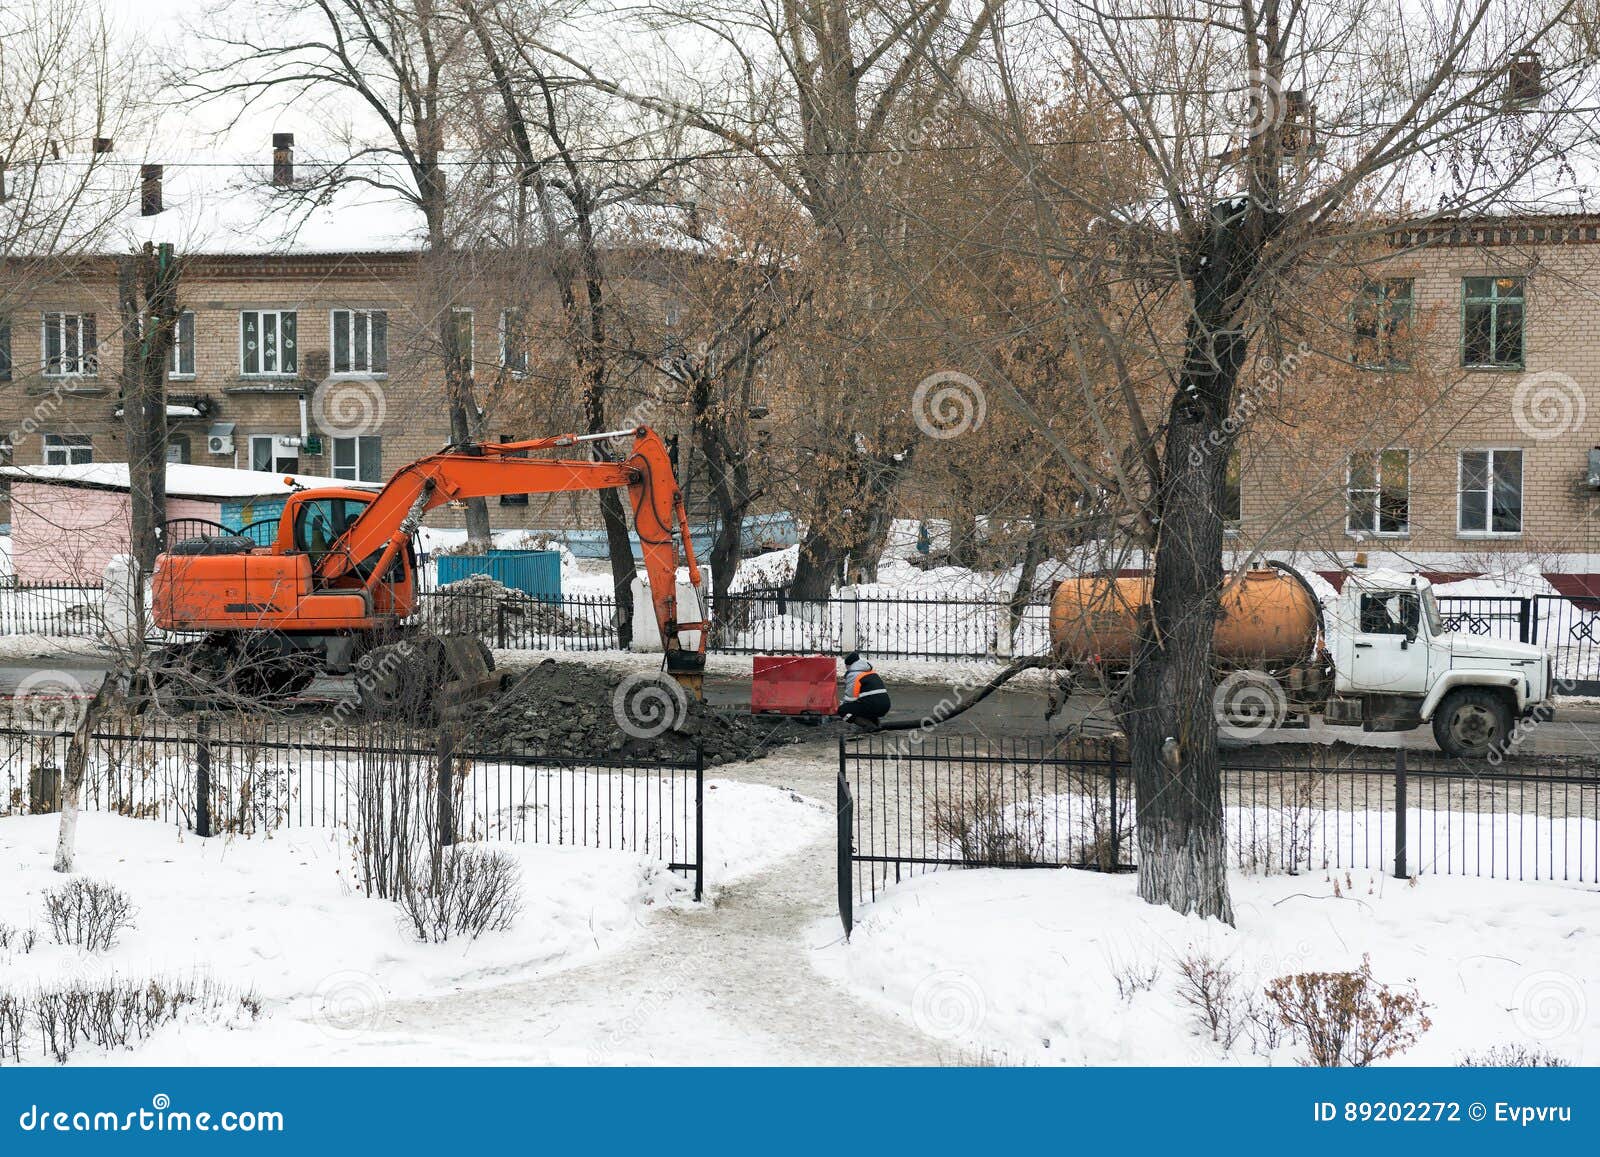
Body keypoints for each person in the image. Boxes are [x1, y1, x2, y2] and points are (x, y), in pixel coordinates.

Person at [838, 652, 891, 727]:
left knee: (842, 710)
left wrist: (841, 704)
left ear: (848, 665)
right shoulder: (869, 671)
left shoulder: (854, 675)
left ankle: (868, 726)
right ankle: (876, 724)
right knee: (863, 706)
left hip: (873, 706)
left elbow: (850, 698)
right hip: (885, 706)